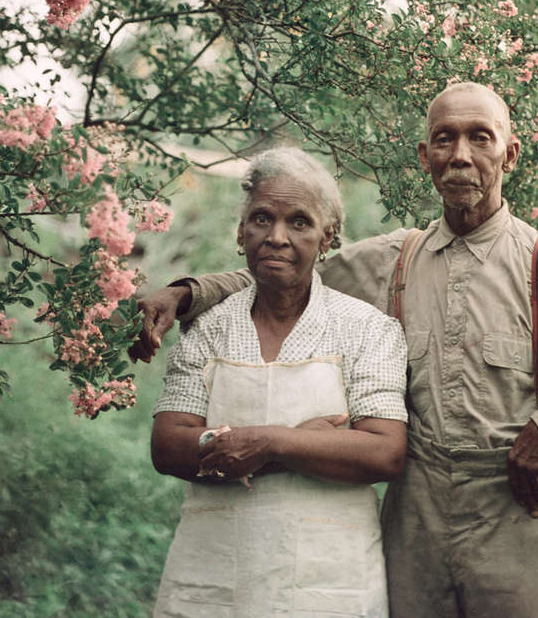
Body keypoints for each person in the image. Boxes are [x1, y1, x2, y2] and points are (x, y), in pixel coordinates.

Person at [134, 83, 538, 618]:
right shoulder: (395, 260)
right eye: (444, 139)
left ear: (509, 153)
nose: (460, 155)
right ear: (425, 156)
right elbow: (286, 266)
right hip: (414, 518)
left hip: (521, 512)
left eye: (480, 138)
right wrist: (187, 293)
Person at [149, 147, 408, 618]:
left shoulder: (366, 328)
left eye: (300, 223)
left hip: (329, 583)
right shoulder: (210, 328)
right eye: (263, 218)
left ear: (327, 238)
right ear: (240, 230)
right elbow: (167, 446)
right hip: (213, 576)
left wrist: (266, 443)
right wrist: (297, 445)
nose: (277, 237)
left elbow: (384, 451)